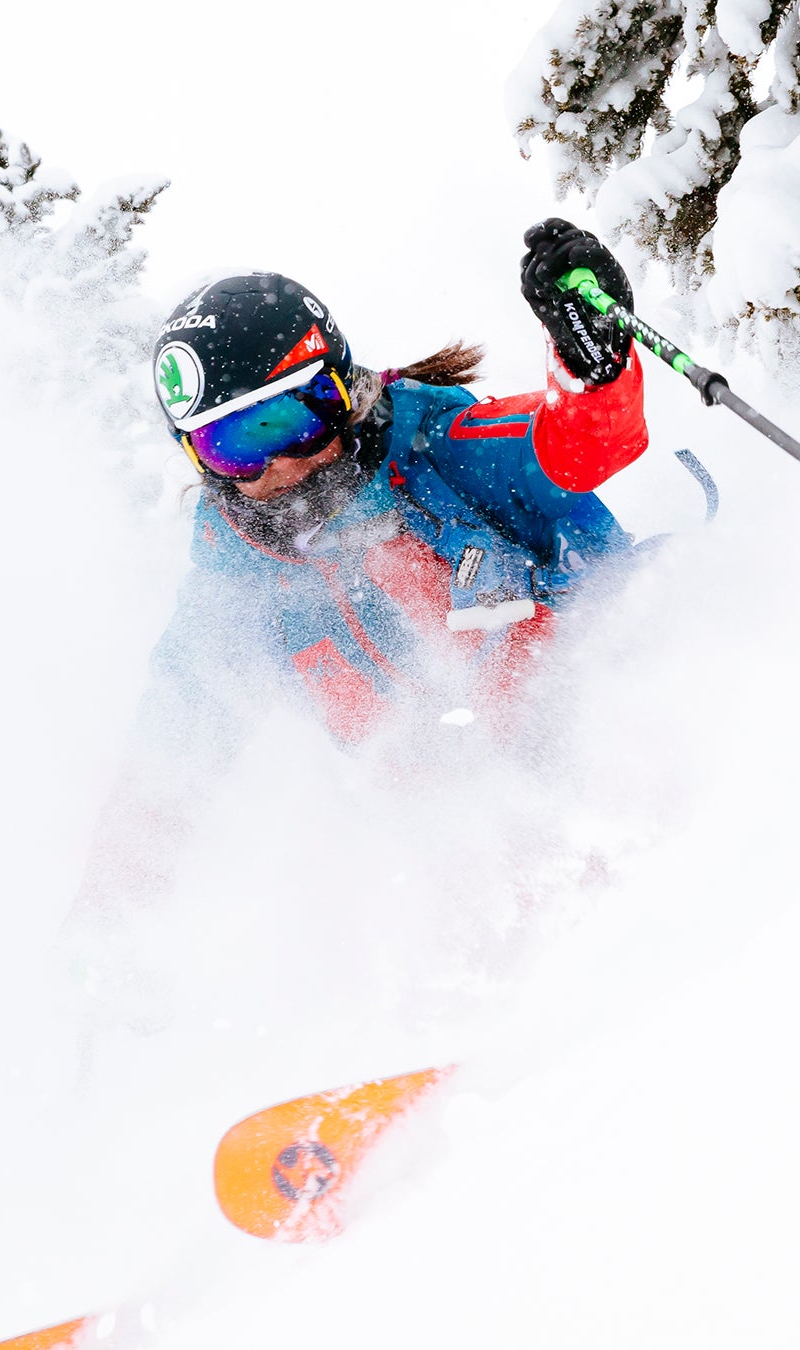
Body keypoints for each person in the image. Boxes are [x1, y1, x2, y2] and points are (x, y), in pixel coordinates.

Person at [71, 220, 650, 929]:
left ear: (340, 390)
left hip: (610, 737)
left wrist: (596, 371)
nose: (276, 467)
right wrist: (108, 918)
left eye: (288, 422)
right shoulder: (239, 581)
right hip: (466, 847)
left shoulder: (440, 448)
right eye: (231, 447)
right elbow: (170, 757)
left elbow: (572, 449)